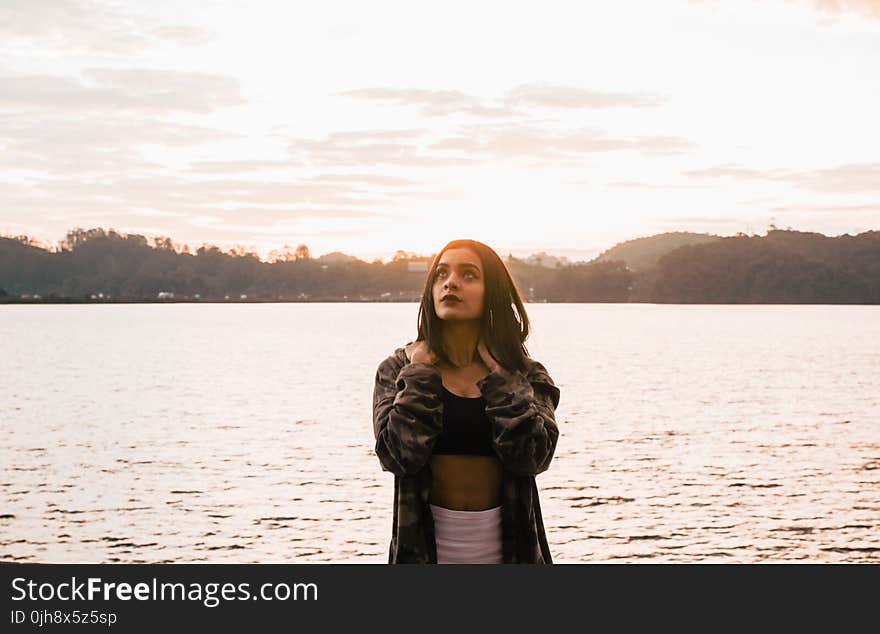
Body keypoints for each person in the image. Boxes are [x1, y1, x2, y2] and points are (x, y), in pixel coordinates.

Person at [372, 238, 561, 564]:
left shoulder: (526, 375)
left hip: (511, 555)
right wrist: (420, 377)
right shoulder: (399, 370)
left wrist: (502, 383)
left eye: (469, 275)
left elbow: (533, 457)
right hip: (424, 556)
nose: (451, 283)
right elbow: (397, 456)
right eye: (440, 274)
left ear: (493, 293)